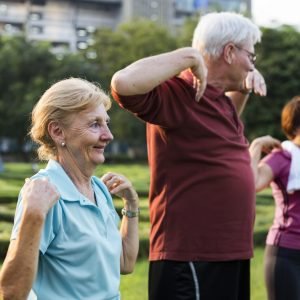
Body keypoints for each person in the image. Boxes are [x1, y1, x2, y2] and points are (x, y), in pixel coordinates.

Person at [111, 11, 267, 300]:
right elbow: (123, 83)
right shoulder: (179, 91)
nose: (252, 65)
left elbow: (209, 139)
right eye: (251, 56)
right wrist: (190, 56)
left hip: (228, 252)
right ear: (230, 52)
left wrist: (244, 86)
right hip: (191, 255)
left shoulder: (219, 99)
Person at [0, 78, 139, 300]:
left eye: (106, 123)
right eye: (95, 124)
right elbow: (11, 293)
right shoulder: (45, 193)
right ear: (57, 132)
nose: (108, 135)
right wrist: (32, 216)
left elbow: (125, 263)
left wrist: (131, 205)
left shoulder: (99, 189)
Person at [250, 96, 300, 300]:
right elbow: (251, 184)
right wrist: (256, 146)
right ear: (296, 128)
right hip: (286, 254)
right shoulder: (282, 157)